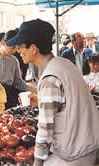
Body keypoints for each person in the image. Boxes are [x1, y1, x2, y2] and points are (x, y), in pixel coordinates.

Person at [7, 19, 99, 166]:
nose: (18, 50)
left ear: (33, 48)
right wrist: (40, 101)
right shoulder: (64, 63)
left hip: (75, 153)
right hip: (89, 144)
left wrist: (37, 162)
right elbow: (68, 102)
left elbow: (45, 130)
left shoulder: (50, 77)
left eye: (20, 46)